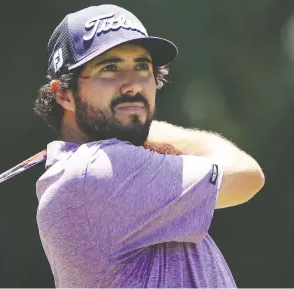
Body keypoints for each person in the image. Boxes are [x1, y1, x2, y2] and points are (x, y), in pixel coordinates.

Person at [33, 4, 265, 288]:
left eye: (142, 66)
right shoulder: (100, 172)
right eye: (110, 68)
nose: (133, 85)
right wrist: (155, 130)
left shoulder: (69, 176)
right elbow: (247, 175)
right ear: (64, 94)